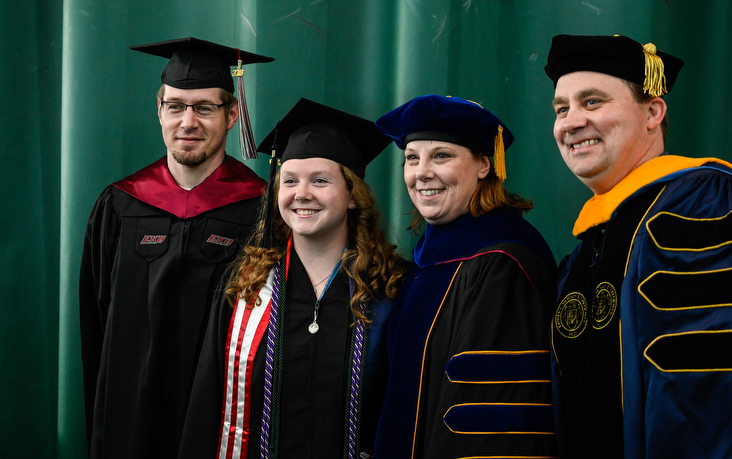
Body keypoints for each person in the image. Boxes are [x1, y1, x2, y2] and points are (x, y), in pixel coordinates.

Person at [545, 34, 732, 458]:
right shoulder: (586, 249)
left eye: (592, 102)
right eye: (561, 108)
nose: (570, 122)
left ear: (653, 112)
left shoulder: (707, 207)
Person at [177, 98, 407, 459]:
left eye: (319, 180)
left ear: (351, 196)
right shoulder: (246, 288)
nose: (302, 194)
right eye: (289, 181)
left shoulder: (390, 291)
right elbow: (207, 403)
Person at [79, 37, 272, 458]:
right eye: (176, 106)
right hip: (129, 410)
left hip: (220, 415)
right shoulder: (121, 203)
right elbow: (96, 318)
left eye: (204, 108)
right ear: (159, 110)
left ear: (232, 114)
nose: (188, 121)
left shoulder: (261, 208)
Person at [372, 95, 558, 458]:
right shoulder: (427, 258)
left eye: (441, 155)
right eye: (412, 158)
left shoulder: (503, 262)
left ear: (484, 165)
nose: (421, 171)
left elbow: (491, 412)